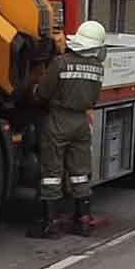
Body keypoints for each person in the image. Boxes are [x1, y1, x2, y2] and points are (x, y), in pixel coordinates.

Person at [26, 20, 107, 239]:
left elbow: (43, 93)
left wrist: (29, 92)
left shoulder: (60, 63)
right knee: (80, 172)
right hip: (81, 122)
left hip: (59, 120)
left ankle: (49, 224)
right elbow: (95, 98)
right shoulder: (98, 68)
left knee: (52, 173)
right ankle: (82, 221)